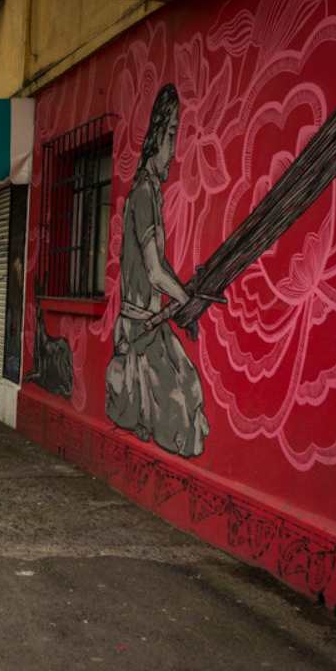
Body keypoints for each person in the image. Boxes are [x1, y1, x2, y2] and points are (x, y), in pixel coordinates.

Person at [105, 83, 209, 458]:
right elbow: (153, 271)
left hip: (153, 326)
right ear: (155, 137)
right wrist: (186, 298)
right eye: (170, 135)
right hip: (141, 331)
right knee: (182, 413)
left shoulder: (150, 192)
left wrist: (184, 298)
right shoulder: (144, 194)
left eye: (176, 136)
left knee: (192, 389)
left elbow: (160, 266)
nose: (174, 150)